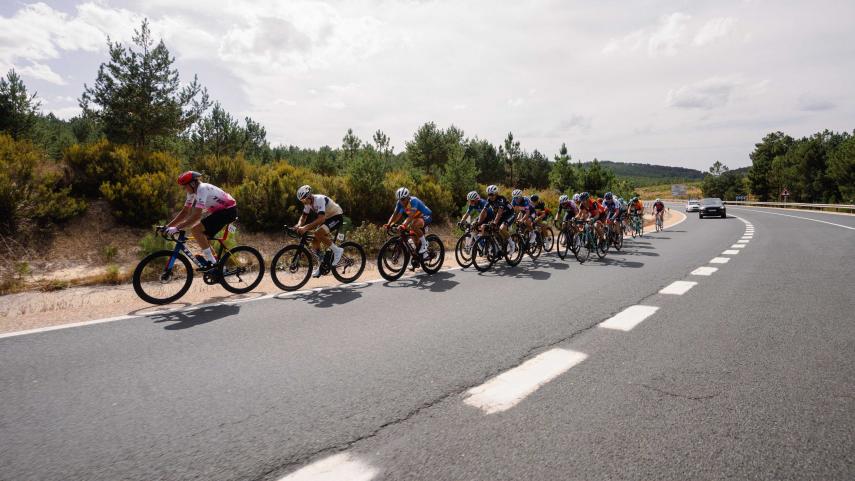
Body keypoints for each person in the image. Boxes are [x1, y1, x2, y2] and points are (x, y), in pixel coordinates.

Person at [166, 171, 237, 270]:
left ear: (192, 183)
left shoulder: (202, 189)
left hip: (228, 211)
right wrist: (167, 227)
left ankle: (212, 262)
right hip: (219, 212)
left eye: (185, 186)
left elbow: (196, 216)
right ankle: (218, 265)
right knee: (203, 237)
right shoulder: (192, 192)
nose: (184, 189)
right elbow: (184, 212)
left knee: (196, 230)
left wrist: (177, 228)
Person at [294, 185, 345, 277]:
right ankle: (321, 264)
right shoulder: (307, 203)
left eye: (304, 199)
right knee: (315, 239)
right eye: (302, 200)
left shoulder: (319, 199)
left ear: (309, 196)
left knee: (318, 233)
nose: (304, 202)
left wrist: (305, 228)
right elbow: (304, 217)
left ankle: (337, 251)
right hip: (327, 219)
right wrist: (298, 225)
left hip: (336, 216)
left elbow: (321, 219)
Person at [385, 187, 432, 259]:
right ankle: (421, 254)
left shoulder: (414, 201)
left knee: (413, 226)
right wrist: (389, 224)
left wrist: (404, 225)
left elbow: (411, 215)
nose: (401, 201)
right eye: (399, 199)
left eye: (403, 199)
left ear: (407, 197)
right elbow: (396, 215)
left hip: (425, 216)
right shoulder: (400, 203)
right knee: (410, 234)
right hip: (415, 217)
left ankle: (425, 243)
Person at [483, 184, 516, 255]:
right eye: (489, 194)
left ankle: (511, 243)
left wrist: (495, 222)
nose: (490, 196)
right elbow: (484, 211)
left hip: (509, 214)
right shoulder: (489, 200)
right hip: (501, 216)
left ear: (496, 193)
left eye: (492, 194)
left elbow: (499, 212)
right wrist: (479, 221)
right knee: (493, 229)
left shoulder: (501, 199)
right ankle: (500, 245)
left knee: (502, 228)